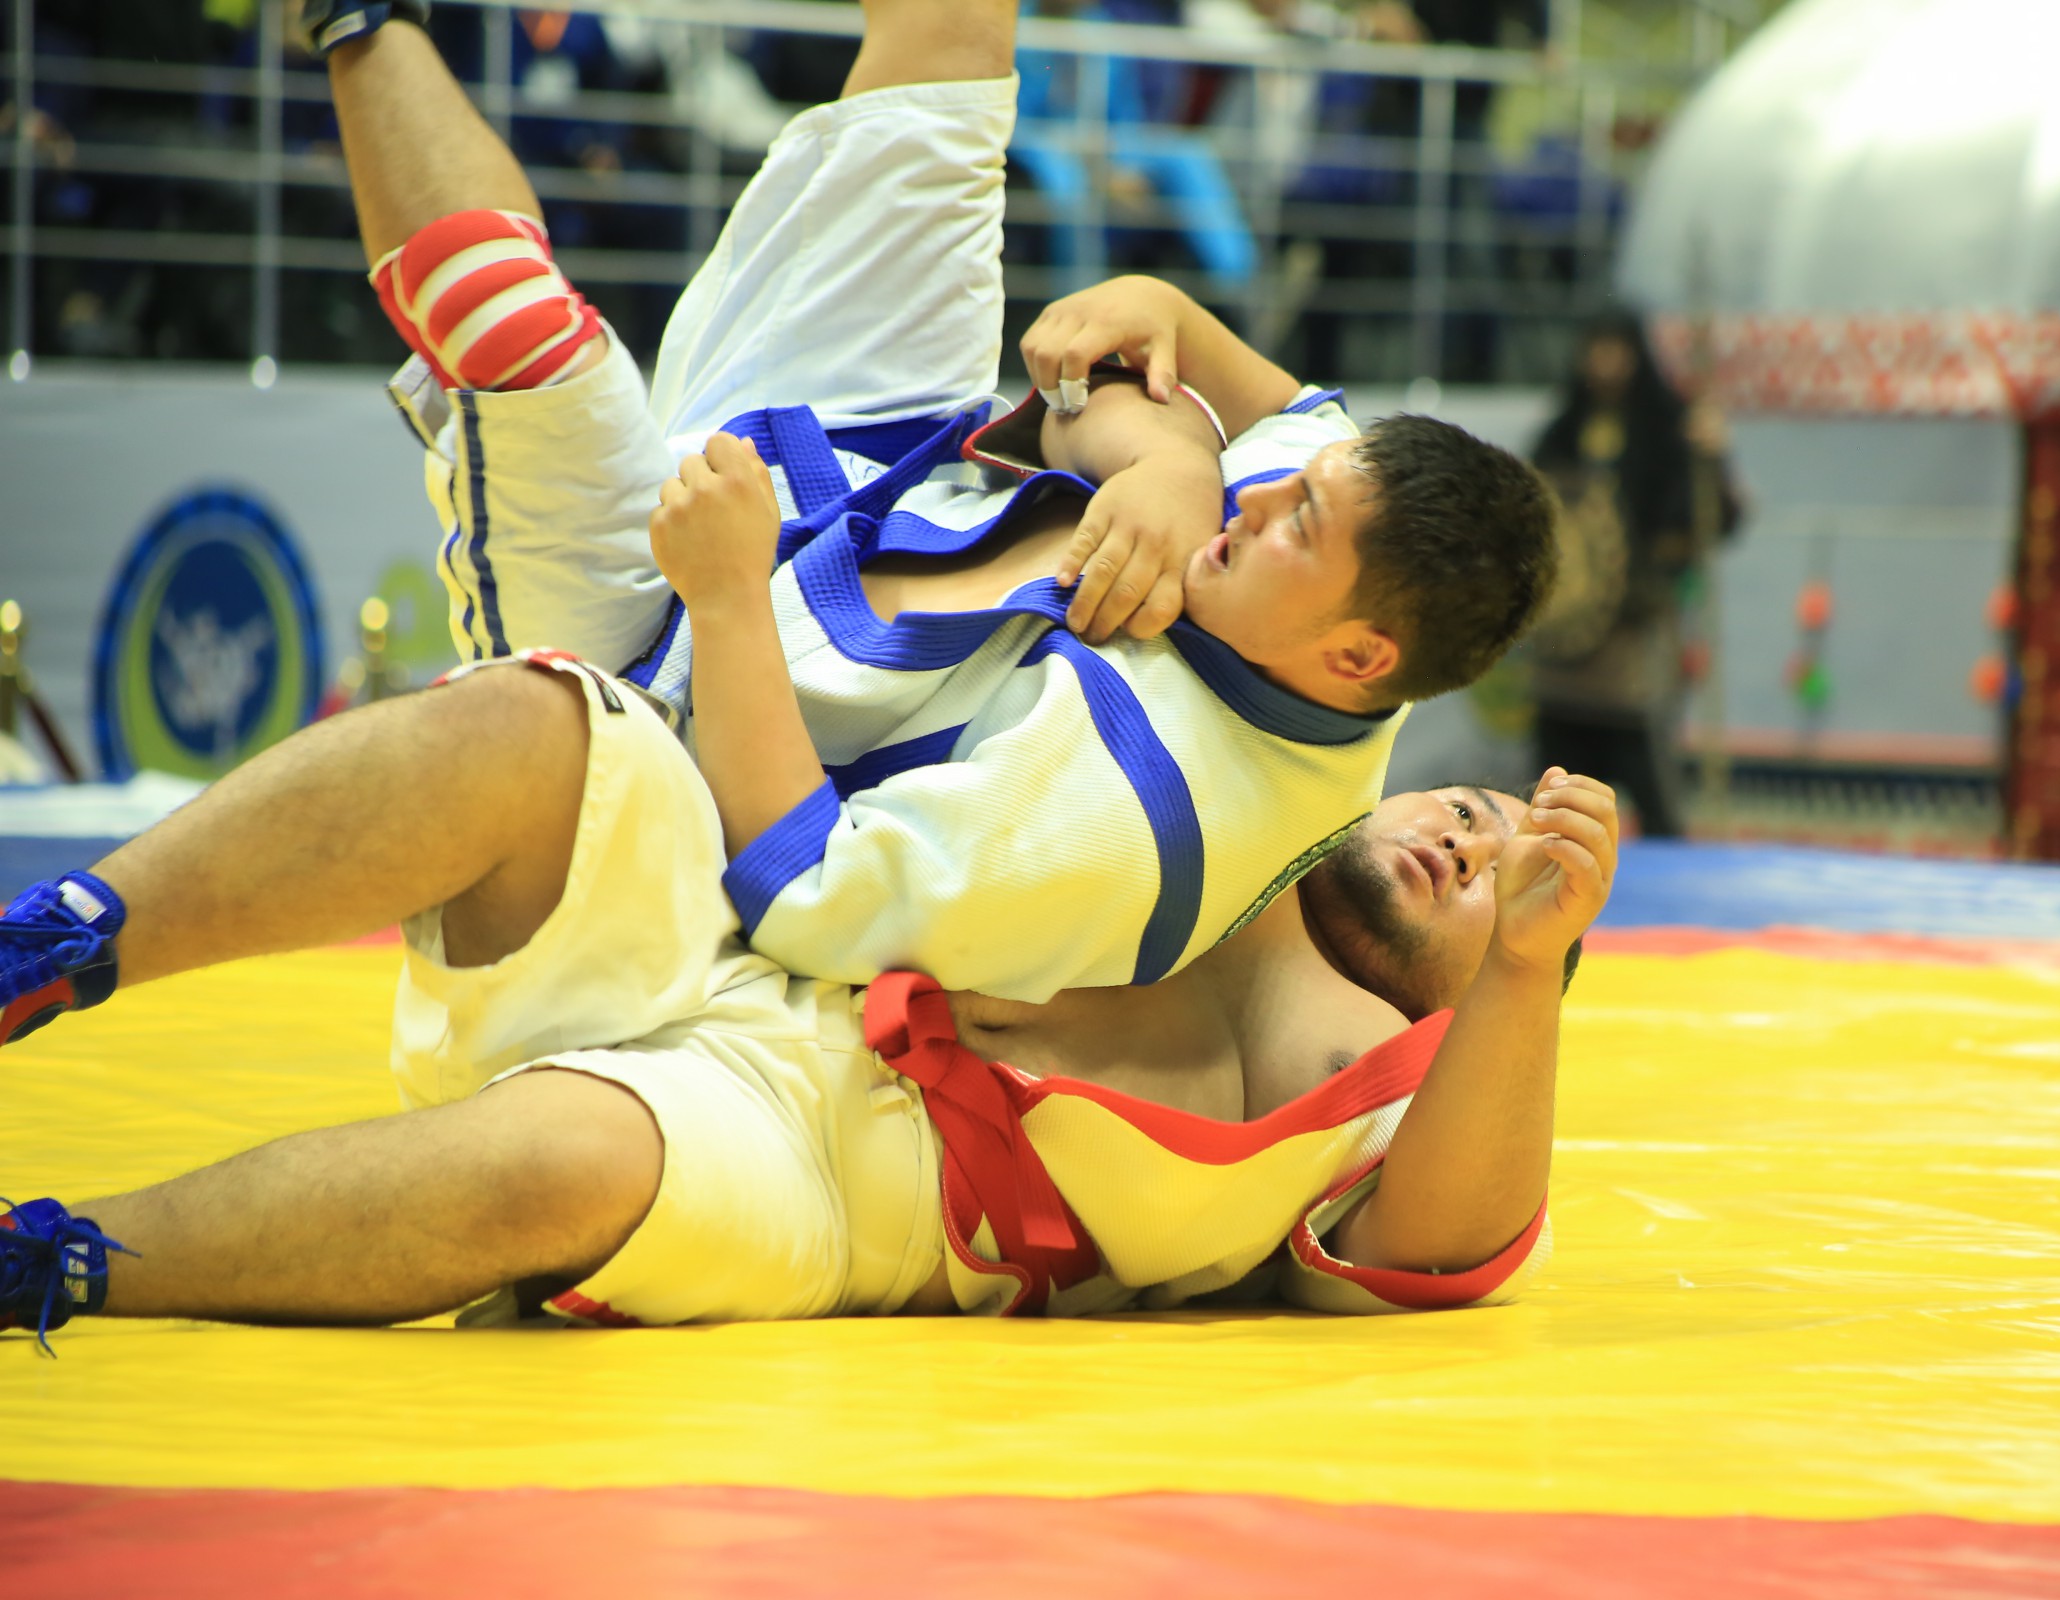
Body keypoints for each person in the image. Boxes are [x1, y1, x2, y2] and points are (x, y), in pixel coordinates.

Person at [0, 0, 1556, 1057]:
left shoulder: (1142, 825)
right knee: (957, 34)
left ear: (1359, 656)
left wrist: (732, 597)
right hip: (867, 445)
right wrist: (1175, 458)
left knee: (514, 326)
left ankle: (352, 16)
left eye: (1290, 524)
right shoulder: (1324, 503)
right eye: (1283, 486)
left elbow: (806, 896)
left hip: (675, 656)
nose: (1269, 496)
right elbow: (1133, 341)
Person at [0, 746, 1615, 1341]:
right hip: (773, 922)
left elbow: (1451, 1240)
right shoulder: (1261, 754)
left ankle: (53, 1261)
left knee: (568, 1166)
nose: (1468, 843)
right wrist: (1167, 353)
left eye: (1503, 879)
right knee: (529, 727)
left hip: (837, 1173)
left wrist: (1528, 968)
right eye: (1469, 810)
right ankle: (53, 939)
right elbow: (1332, 495)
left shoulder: (1407, 1096)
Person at [1525, 309, 1741, 839]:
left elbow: (1714, 518)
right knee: (1554, 802)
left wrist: (1711, 459)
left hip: (1634, 638)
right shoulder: (1562, 431)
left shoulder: (1669, 429)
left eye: (1616, 349)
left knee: (1652, 788)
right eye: (1596, 348)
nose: (1605, 362)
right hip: (1563, 648)